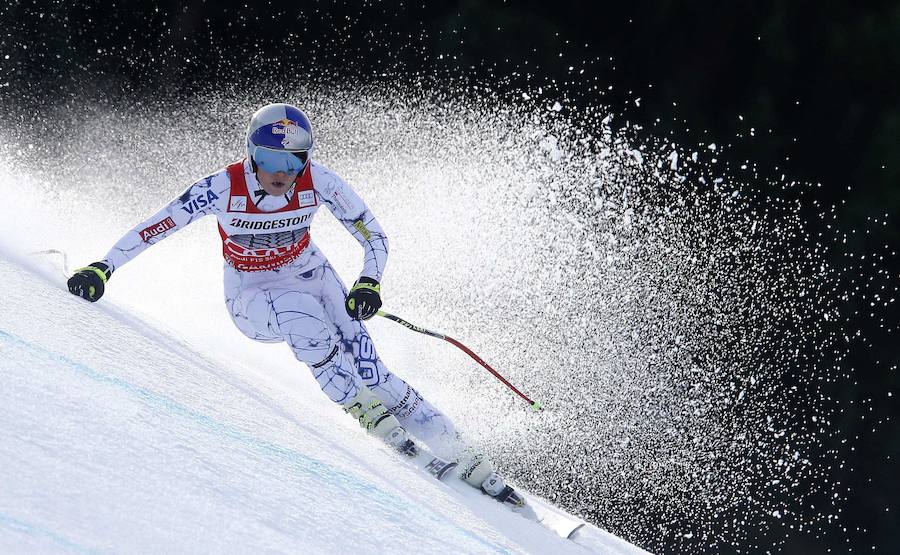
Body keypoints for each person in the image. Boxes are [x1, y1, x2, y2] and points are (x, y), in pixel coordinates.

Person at [66, 103, 524, 508]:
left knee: (373, 370)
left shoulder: (318, 181)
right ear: (250, 152)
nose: (278, 172)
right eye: (266, 159)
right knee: (305, 320)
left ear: (305, 160)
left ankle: (465, 455)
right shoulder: (222, 187)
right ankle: (360, 408)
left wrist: (369, 282)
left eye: (290, 161)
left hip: (313, 273)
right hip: (251, 296)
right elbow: (157, 226)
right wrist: (103, 267)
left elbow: (373, 234)